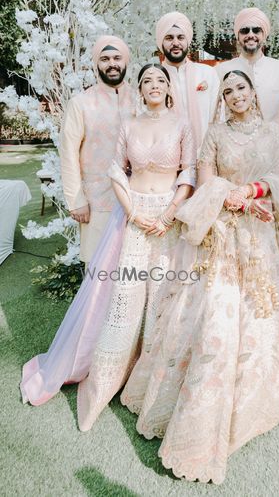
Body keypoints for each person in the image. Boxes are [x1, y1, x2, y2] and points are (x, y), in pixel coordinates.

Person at [120, 70, 279, 485]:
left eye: (241, 88)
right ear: (222, 98)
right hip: (219, 231)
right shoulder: (214, 133)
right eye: (228, 90)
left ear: (253, 92)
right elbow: (205, 175)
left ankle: (249, 399)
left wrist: (249, 192)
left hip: (258, 231)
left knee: (258, 313)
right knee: (214, 314)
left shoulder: (272, 132)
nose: (235, 95)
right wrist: (225, 195)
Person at [21, 65, 196, 422]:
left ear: (168, 87)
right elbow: (117, 169)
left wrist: (169, 214)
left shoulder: (182, 124)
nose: (153, 86)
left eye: (159, 80)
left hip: (167, 221)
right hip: (133, 217)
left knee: (162, 296)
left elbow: (188, 172)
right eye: (146, 81)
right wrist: (132, 212)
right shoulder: (129, 124)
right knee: (124, 297)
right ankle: (105, 382)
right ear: (141, 88)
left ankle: (151, 383)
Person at [59, 35, 135, 264]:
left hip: (138, 198)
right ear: (96, 64)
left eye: (117, 58)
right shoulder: (80, 103)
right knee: (98, 266)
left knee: (132, 264)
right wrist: (76, 199)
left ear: (126, 62)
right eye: (105, 58)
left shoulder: (141, 98)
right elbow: (68, 154)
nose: (112, 63)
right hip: (96, 200)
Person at [156, 11, 219, 153]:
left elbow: (218, 118)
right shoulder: (154, 79)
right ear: (161, 42)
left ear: (187, 41)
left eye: (180, 37)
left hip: (206, 157)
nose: (175, 43)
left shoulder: (208, 73)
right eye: (169, 38)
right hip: (167, 160)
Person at [215, 7, 279, 121]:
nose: (250, 35)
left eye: (256, 30)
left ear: (264, 35)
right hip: (233, 137)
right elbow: (217, 114)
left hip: (274, 137)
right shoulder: (220, 71)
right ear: (237, 36)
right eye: (245, 31)